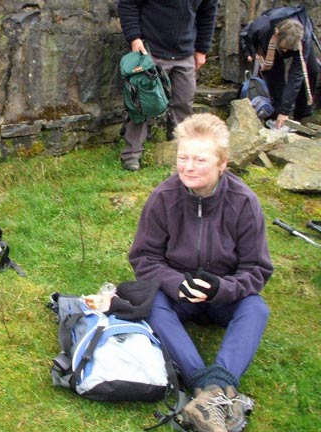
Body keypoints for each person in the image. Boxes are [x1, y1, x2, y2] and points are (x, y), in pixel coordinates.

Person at [129, 113, 273, 432]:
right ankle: (206, 387)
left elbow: (257, 269)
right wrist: (177, 283)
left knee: (256, 308)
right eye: (183, 157)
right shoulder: (163, 198)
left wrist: (220, 287)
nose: (188, 167)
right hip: (177, 296)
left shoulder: (245, 203)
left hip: (224, 297)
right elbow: (144, 257)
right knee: (150, 302)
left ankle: (219, 381)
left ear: (222, 163)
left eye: (199, 159)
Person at [117, 0, 218, 171]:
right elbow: (128, 4)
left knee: (183, 103)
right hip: (150, 51)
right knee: (141, 104)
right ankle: (131, 154)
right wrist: (134, 38)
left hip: (185, 53)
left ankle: (180, 151)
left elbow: (208, 14)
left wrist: (202, 49)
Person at [240, 5, 319, 129]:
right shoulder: (262, 27)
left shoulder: (304, 38)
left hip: (297, 44)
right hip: (271, 44)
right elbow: (246, 35)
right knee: (275, 77)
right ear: (277, 34)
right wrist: (250, 53)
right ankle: (275, 117)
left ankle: (300, 115)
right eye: (284, 48)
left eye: (288, 49)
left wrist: (285, 111)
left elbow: (296, 76)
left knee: (311, 71)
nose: (286, 51)